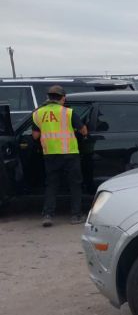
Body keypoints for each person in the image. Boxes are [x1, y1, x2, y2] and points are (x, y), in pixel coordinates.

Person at [31, 85, 88, 226]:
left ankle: (48, 215)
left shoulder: (38, 113)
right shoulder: (68, 113)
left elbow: (35, 135)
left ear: (48, 98)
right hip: (70, 153)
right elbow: (84, 131)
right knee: (75, 185)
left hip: (50, 154)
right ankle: (76, 216)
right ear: (63, 98)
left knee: (51, 185)